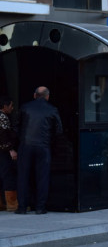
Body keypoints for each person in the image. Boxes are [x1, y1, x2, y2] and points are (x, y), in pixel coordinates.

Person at [16, 87, 63, 215]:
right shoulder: (53, 109)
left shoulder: (25, 107)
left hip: (26, 145)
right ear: (47, 96)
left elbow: (17, 126)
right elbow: (59, 131)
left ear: (34, 95)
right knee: (42, 177)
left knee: (23, 177)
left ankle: (22, 207)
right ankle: (40, 207)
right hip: (43, 146)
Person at [0, 96, 18, 212]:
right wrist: (11, 149)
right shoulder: (3, 118)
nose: (12, 108)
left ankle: (1, 203)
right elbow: (3, 135)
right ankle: (11, 204)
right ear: (5, 106)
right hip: (3, 151)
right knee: (8, 175)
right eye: (11, 105)